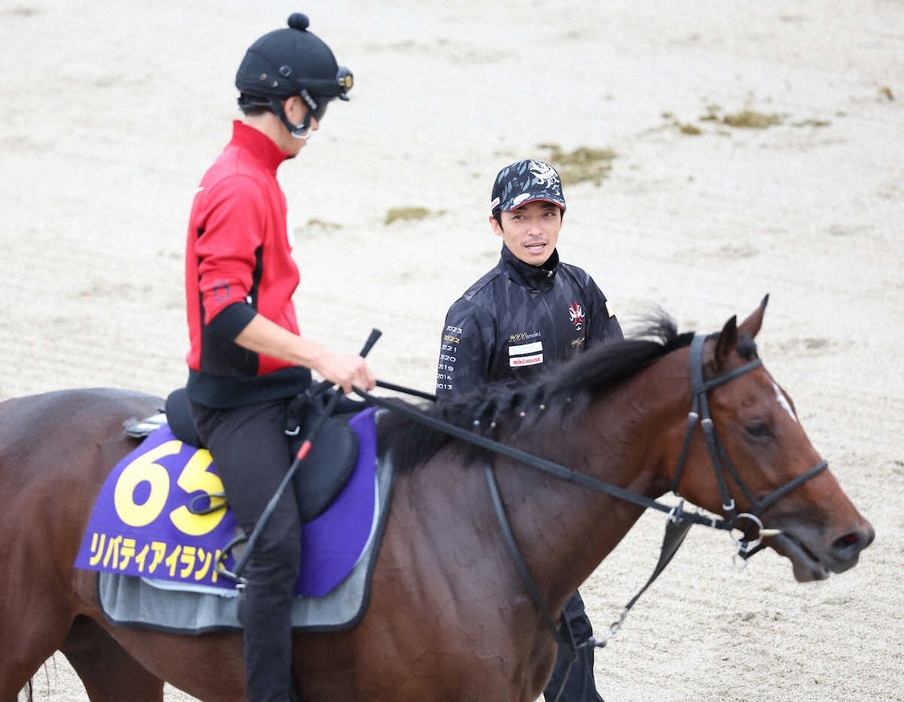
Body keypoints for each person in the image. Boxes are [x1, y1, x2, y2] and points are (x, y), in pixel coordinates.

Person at [183, 14, 374, 702]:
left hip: (276, 387)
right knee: (274, 546)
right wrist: (323, 356)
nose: (316, 127)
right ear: (292, 104)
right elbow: (226, 315)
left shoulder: (260, 174)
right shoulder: (239, 184)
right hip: (234, 407)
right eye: (315, 110)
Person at [435, 158, 622, 702]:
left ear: (562, 219)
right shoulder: (473, 313)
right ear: (496, 224)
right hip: (494, 509)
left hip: (560, 500)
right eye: (521, 217)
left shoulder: (581, 289)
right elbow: (451, 436)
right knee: (545, 633)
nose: (535, 229)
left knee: (568, 634)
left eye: (547, 213)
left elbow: (616, 381)